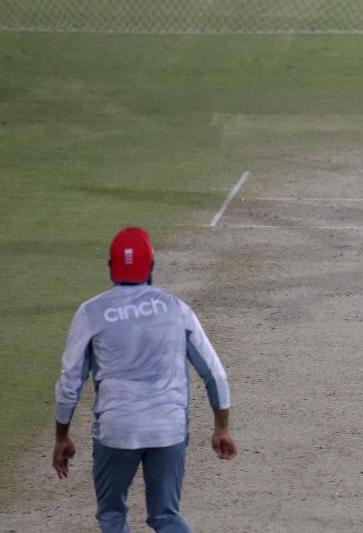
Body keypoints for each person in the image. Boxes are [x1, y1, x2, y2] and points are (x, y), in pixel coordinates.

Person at [52, 227, 236, 532]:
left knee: (112, 515)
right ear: (151, 267)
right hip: (168, 428)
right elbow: (214, 373)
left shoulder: (90, 312)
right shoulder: (177, 309)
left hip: (116, 429)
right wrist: (222, 428)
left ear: (111, 268)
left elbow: (69, 382)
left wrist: (62, 436)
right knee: (166, 516)